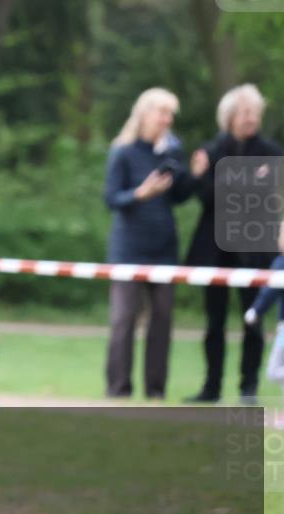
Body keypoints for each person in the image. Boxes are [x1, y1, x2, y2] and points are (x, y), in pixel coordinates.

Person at [102, 88, 206, 399]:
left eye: (170, 114)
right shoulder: (123, 152)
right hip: (129, 249)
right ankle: (118, 389)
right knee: (124, 319)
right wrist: (139, 194)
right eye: (162, 113)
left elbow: (178, 196)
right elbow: (111, 199)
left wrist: (195, 176)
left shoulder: (170, 153)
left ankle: (155, 390)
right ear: (145, 114)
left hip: (163, 248)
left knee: (162, 320)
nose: (167, 120)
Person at [185, 84, 282, 404]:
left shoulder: (271, 152)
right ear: (229, 117)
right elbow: (206, 196)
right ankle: (211, 387)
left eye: (255, 112)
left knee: (252, 317)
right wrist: (248, 181)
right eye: (244, 112)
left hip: (254, 247)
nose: (251, 118)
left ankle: (248, 388)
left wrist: (230, 182)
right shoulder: (211, 151)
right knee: (214, 321)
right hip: (215, 248)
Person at [243, 221, 284, 421]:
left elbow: (269, 293)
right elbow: (269, 291)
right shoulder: (279, 262)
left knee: (274, 371)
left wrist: (255, 310)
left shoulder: (280, 264)